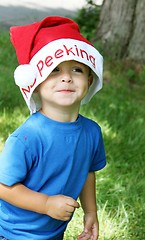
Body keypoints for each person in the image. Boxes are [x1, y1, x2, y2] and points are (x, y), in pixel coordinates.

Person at [0, 16, 106, 240]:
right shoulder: (28, 138)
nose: (66, 78)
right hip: (12, 232)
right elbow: (3, 186)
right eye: (54, 70)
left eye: (77, 69)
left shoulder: (92, 132)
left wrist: (90, 212)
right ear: (35, 83)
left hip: (53, 231)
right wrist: (46, 204)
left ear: (89, 80)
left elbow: (87, 172)